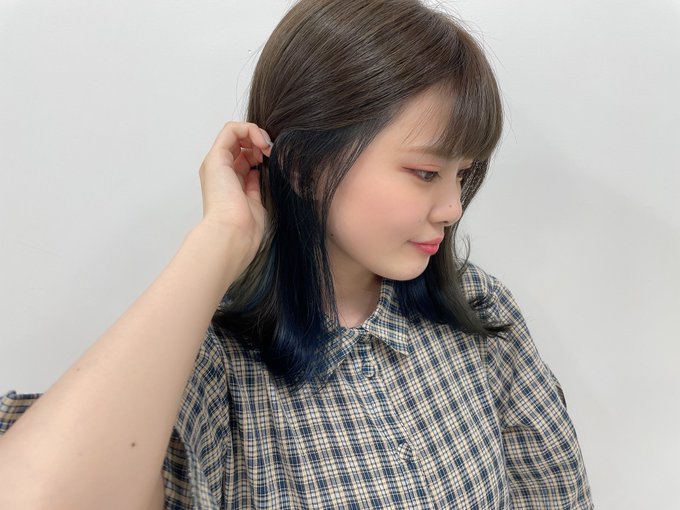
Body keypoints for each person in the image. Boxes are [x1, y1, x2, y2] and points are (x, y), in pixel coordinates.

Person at [0, 0, 594, 508]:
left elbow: (554, 492)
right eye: (424, 172)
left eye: (462, 175)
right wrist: (220, 237)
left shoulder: (477, 311)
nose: (452, 208)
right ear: (307, 165)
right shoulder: (219, 374)